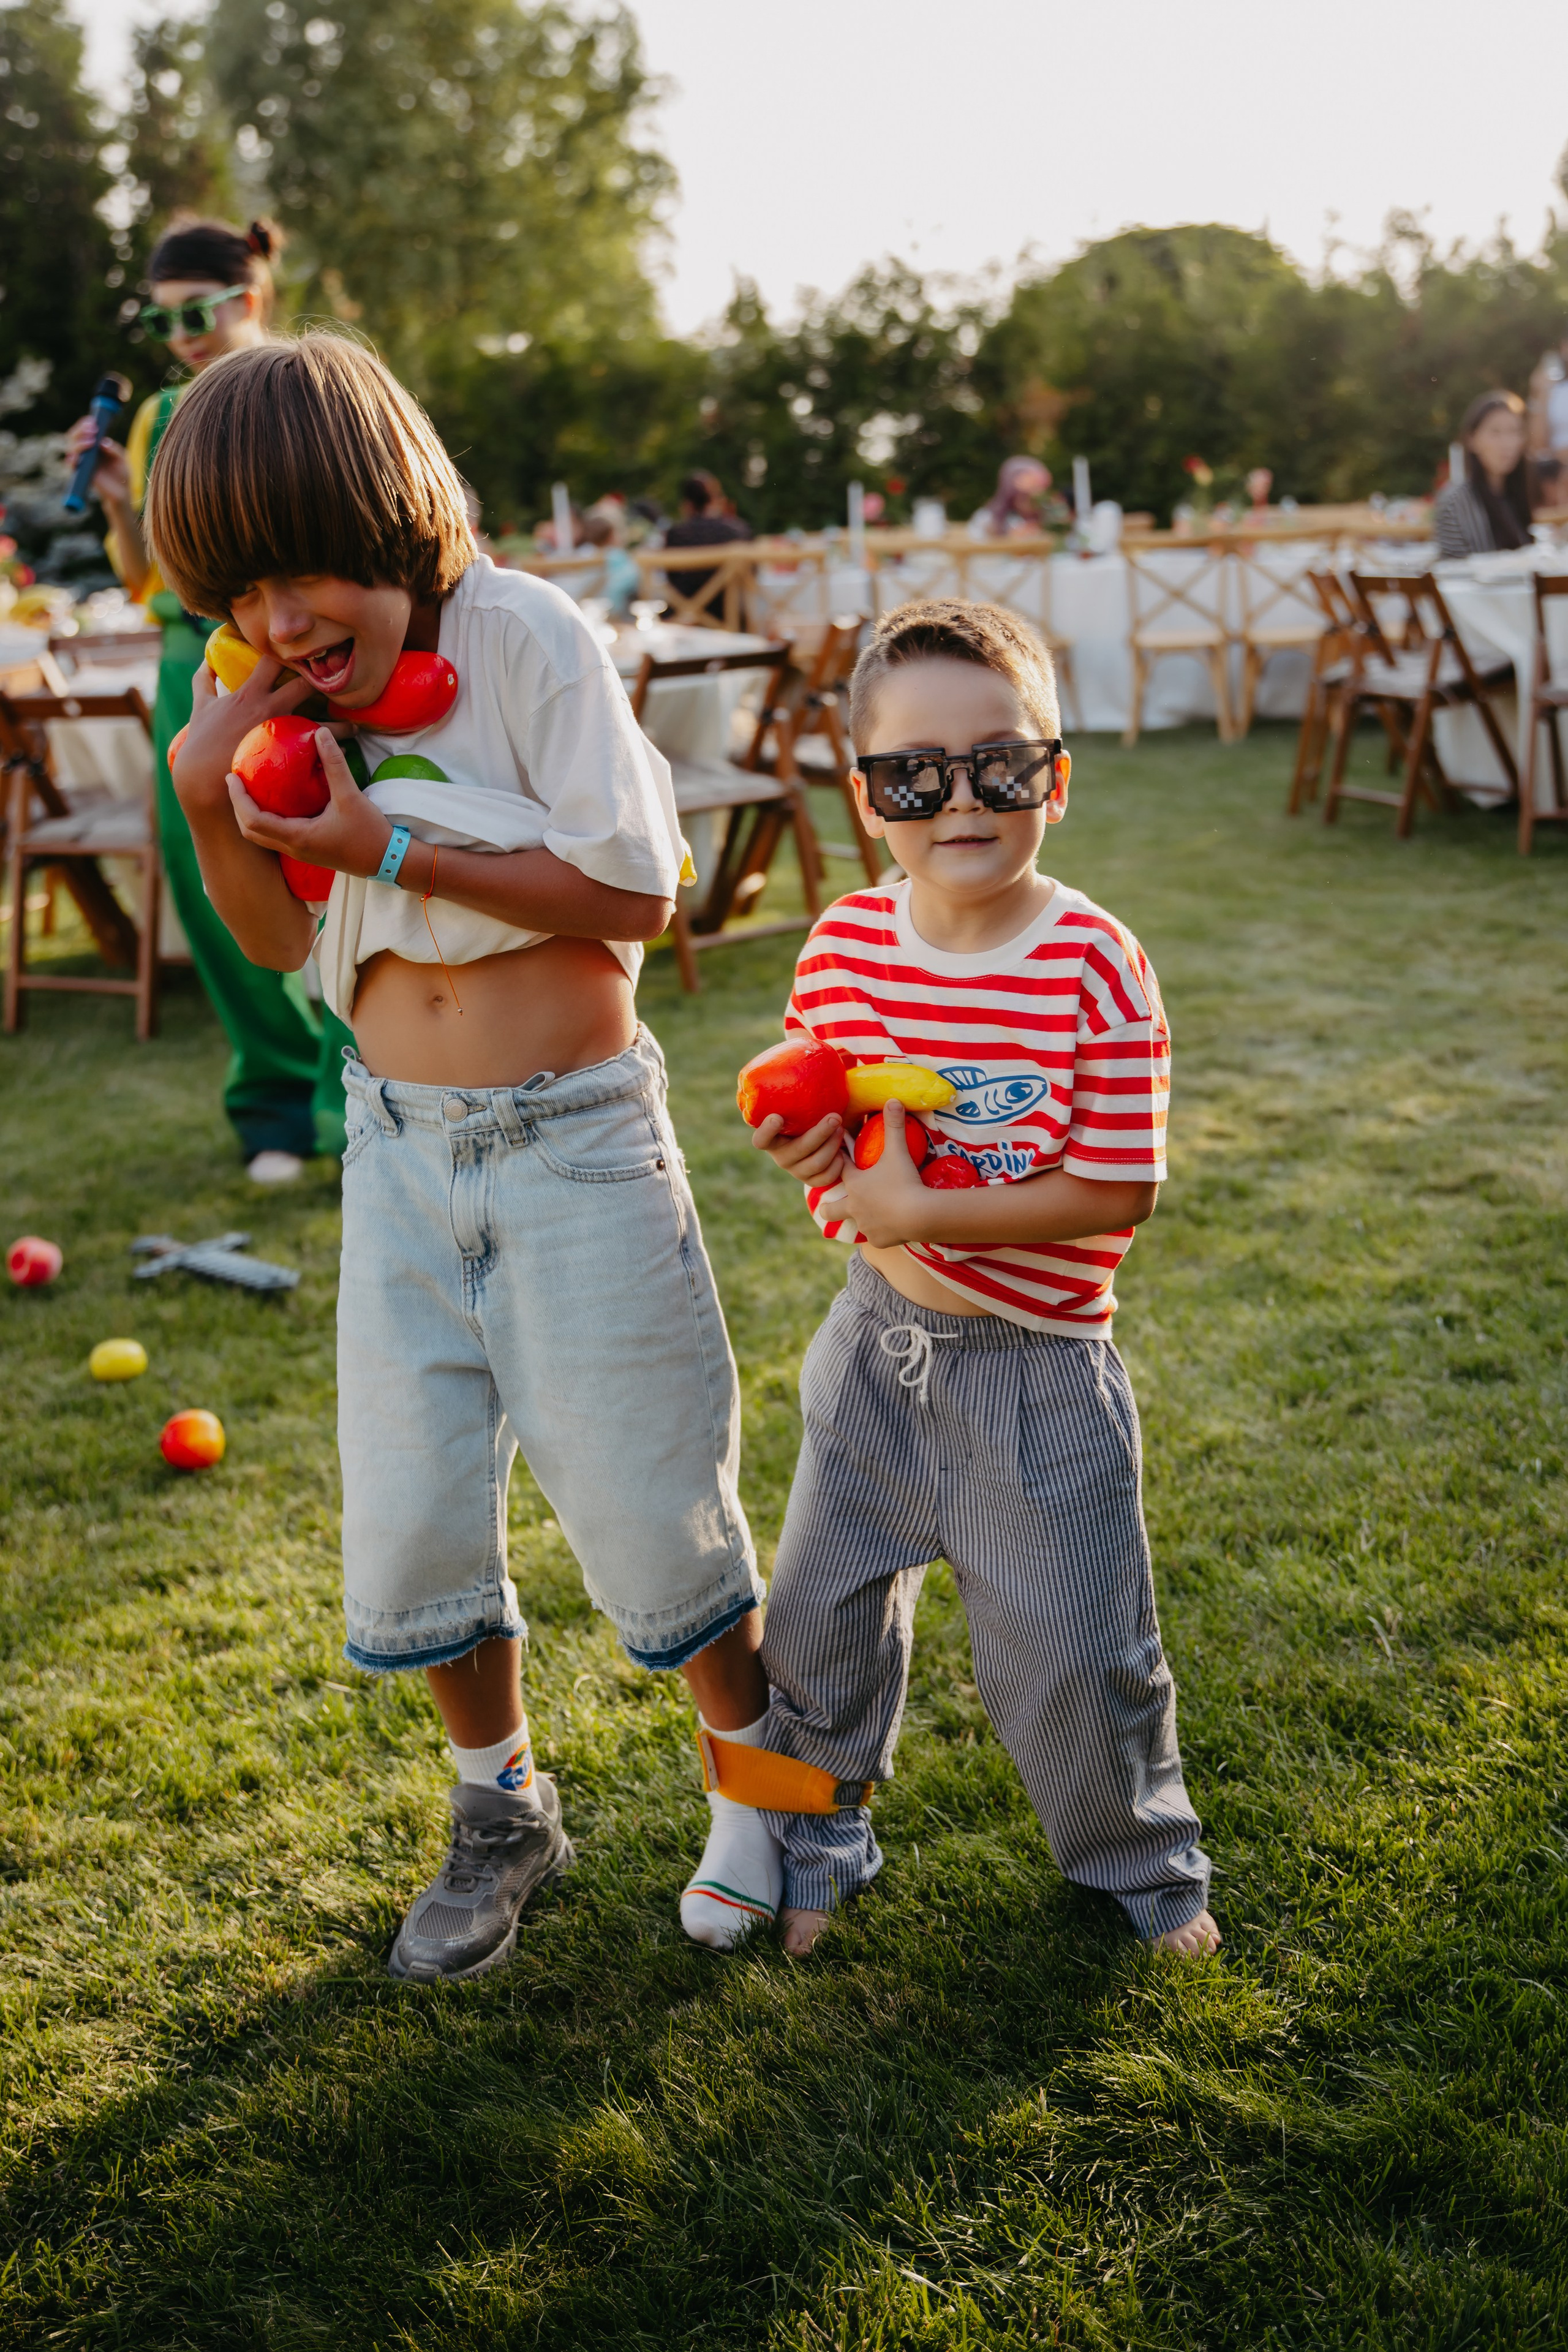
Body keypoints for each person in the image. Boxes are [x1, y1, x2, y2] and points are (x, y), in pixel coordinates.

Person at [147, 333, 771, 1979]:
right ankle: (500, 1806)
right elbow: (289, 939)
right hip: (398, 1148)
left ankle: (769, 1796)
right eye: (245, 589)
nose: (283, 624)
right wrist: (210, 800)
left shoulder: (524, 638)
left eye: (308, 570)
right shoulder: (275, 697)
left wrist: (394, 838)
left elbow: (641, 895)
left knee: (653, 1495)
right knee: (417, 1508)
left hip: (570, 1146)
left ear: (390, 510)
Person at [685, 600, 1219, 1962]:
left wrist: (924, 1204)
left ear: (1056, 776)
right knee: (810, 1633)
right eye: (913, 774)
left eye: (1001, 765)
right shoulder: (847, 948)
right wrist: (808, 1139)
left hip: (1036, 1374)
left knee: (1070, 1659)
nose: (959, 799)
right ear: (867, 796)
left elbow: (1118, 1187)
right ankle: (819, 1841)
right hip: (871, 1349)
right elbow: (824, 1126)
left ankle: (1141, 1875)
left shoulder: (1092, 961)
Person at [66, 216, 354, 1180]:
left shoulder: (304, 389)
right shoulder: (154, 415)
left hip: (301, 651)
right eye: (162, 320)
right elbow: (152, 567)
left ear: (249, 298)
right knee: (207, 871)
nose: (183, 333)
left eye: (197, 311)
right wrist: (115, 495)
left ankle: (352, 1094)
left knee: (341, 872)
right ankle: (274, 1105)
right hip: (195, 653)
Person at [1434, 392, 1534, 560]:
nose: (1507, 443)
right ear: (1472, 439)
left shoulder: (1517, 493)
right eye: (1496, 432)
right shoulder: (1456, 501)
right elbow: (1452, 571)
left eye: (1514, 431)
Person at [662, 472, 752, 609]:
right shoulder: (738, 531)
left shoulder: (676, 534)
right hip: (729, 617)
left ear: (687, 504)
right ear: (714, 499)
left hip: (684, 619)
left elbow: (671, 579)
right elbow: (750, 576)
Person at [969, 454, 1061, 539]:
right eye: (1024, 498)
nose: (1027, 504)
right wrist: (1006, 533)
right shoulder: (988, 517)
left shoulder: (1038, 518)